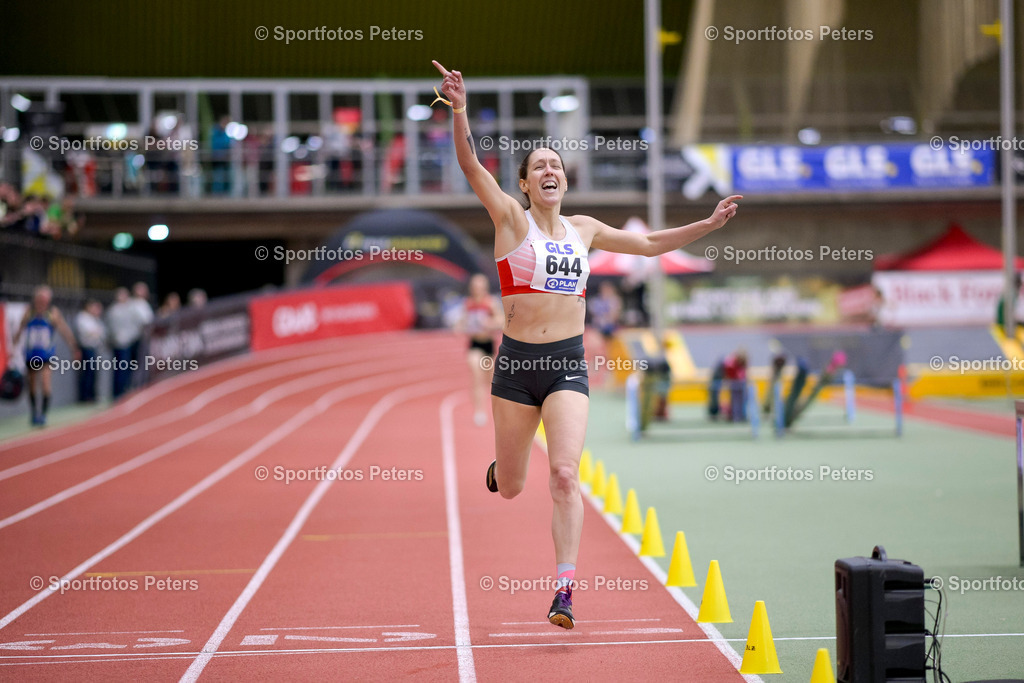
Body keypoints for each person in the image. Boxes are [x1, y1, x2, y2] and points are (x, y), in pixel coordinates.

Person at [433, 60, 741, 629]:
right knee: (512, 487)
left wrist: (706, 226)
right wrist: (460, 109)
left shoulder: (586, 229)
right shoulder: (510, 219)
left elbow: (649, 244)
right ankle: (502, 466)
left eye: (555, 164)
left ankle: (565, 592)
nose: (549, 170)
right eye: (538, 166)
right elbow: (471, 164)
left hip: (566, 365)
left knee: (564, 475)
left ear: (565, 180)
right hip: (516, 366)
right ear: (525, 184)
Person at [13, 286, 80, 426]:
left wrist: (74, 347)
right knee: (32, 385)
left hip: (46, 355)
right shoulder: (29, 312)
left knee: (45, 384)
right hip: (31, 354)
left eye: (45, 299)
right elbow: (20, 329)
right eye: (40, 299)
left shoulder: (52, 313)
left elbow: (64, 330)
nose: (42, 302)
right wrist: (13, 347)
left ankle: (43, 414)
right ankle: (34, 413)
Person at [457, 273, 503, 427]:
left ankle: (495, 411)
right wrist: (459, 327)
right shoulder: (468, 303)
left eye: (480, 286)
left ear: (485, 287)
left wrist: (490, 323)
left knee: (491, 381)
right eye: (475, 286)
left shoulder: (491, 303)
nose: (477, 289)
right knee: (476, 375)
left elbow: (501, 321)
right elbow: (462, 321)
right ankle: (479, 411)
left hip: (489, 345)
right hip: (474, 345)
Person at [74, 299, 105, 403]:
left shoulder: (94, 319)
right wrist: (95, 333)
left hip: (94, 347)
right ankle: (85, 396)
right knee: (87, 373)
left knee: (93, 373)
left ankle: (92, 394)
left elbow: (101, 332)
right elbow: (88, 332)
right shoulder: (82, 317)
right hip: (86, 348)